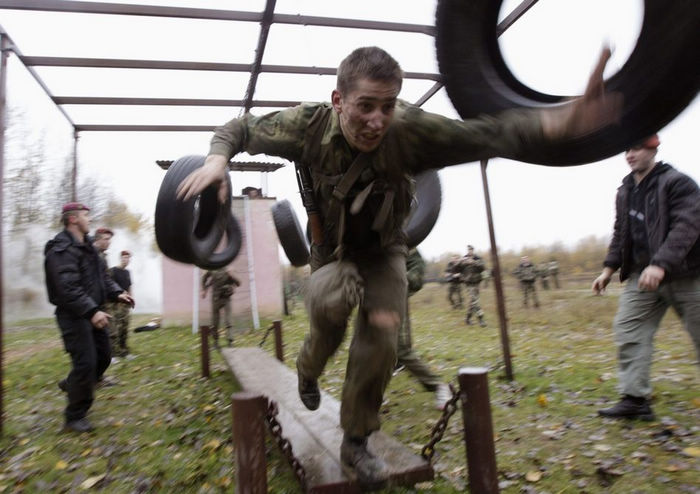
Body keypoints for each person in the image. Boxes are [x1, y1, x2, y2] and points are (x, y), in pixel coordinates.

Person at [177, 46, 620, 486]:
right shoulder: (307, 126)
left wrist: (562, 121)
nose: (376, 121)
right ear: (338, 101)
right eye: (364, 107)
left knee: (383, 332)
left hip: (386, 249)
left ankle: (356, 439)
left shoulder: (408, 131)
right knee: (331, 312)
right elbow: (239, 127)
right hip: (330, 251)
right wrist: (218, 160)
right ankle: (307, 370)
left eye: (387, 106)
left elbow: (488, 134)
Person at [592, 135, 700, 421]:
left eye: (636, 147)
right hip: (643, 277)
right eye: (626, 149)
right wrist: (608, 270)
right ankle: (635, 400)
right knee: (628, 328)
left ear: (654, 148)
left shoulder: (677, 183)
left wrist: (661, 264)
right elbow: (621, 234)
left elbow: (688, 226)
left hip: (687, 274)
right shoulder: (625, 191)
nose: (630, 154)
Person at [44, 203, 134, 433]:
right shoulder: (61, 249)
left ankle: (73, 383)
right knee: (86, 362)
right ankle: (74, 417)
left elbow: (102, 278)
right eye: (86, 216)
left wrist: (117, 293)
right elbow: (66, 288)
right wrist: (91, 311)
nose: (89, 220)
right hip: (74, 315)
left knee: (103, 357)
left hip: (93, 312)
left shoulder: (89, 249)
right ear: (72, 219)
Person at [395, 248, 451, 410]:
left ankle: (438, 385)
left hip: (391, 298)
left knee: (400, 350)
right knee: (365, 349)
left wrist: (395, 282)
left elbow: (417, 268)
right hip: (366, 300)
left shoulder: (400, 236)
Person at [201, 267, 241, 347]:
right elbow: (204, 278)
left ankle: (230, 342)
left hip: (226, 298)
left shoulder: (228, 269)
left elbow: (238, 283)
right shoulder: (211, 268)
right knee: (215, 321)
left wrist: (231, 275)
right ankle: (215, 342)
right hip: (216, 298)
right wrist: (204, 290)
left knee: (228, 320)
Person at [108, 250, 133, 359]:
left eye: (127, 258)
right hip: (115, 304)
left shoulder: (127, 272)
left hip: (125, 305)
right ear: (120, 258)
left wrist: (131, 299)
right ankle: (112, 354)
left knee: (124, 328)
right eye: (124, 258)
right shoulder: (113, 271)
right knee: (114, 330)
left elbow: (129, 287)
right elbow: (109, 286)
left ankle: (124, 351)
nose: (126, 260)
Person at [461, 245, 487, 327]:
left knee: (473, 301)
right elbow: (457, 268)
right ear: (467, 250)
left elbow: (483, 267)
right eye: (468, 250)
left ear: (473, 250)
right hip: (468, 283)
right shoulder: (464, 258)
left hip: (476, 282)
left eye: (471, 250)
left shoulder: (477, 258)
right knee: (475, 300)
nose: (470, 251)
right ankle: (481, 319)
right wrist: (463, 262)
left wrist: (474, 262)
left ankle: (468, 319)